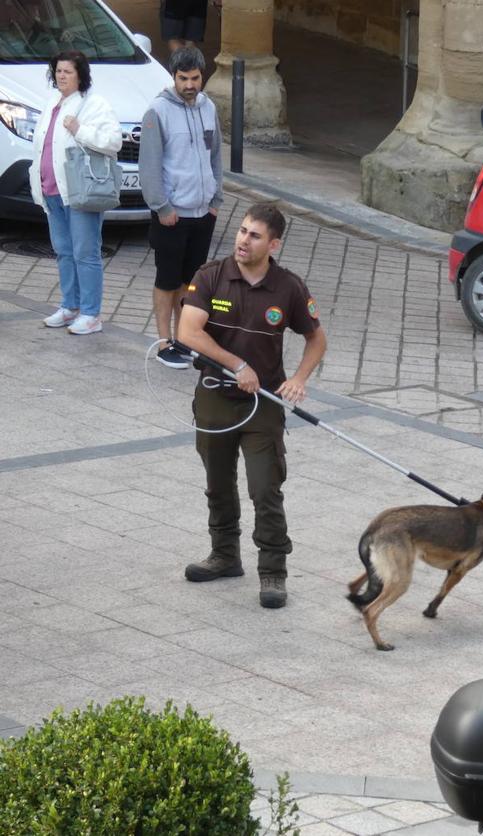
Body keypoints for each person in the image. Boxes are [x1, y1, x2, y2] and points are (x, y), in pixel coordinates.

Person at [177, 203, 327, 609]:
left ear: (273, 243)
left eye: (254, 235)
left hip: (263, 404)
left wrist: (297, 379)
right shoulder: (210, 276)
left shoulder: (289, 287)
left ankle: (274, 572)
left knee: (265, 488)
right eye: (242, 231)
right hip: (214, 396)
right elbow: (188, 331)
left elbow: (317, 339)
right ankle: (224, 556)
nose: (243, 240)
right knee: (218, 483)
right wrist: (236, 364)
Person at [139, 46, 223, 369]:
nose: (190, 84)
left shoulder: (208, 107)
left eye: (195, 78)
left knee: (190, 283)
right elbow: (149, 165)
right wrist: (162, 206)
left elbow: (215, 155)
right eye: (183, 78)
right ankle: (164, 343)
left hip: (204, 212)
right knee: (167, 280)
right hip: (171, 214)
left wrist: (216, 199)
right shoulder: (157, 111)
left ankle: (184, 340)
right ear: (173, 77)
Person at [29, 50, 122, 334]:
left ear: (81, 74)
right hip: (51, 191)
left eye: (67, 71)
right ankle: (70, 306)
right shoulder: (52, 103)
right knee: (64, 252)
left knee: (86, 253)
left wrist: (80, 129)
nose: (61, 76)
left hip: (80, 192)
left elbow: (113, 141)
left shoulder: (94, 104)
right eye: (58, 71)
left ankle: (91, 314)